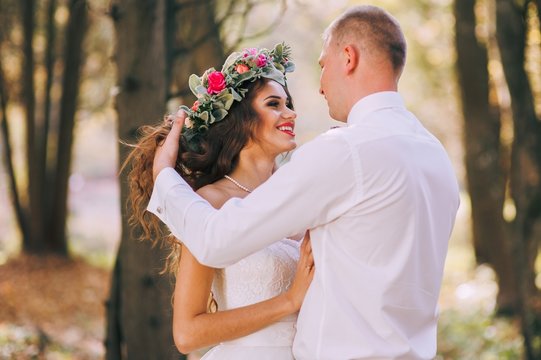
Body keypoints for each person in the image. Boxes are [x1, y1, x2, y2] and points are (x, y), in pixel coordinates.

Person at [149, 5, 460, 360]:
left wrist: (165, 179)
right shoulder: (436, 157)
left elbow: (216, 239)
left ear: (348, 57)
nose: (321, 86)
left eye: (322, 65)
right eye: (274, 103)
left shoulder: (345, 151)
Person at [126, 44, 314, 359]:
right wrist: (288, 301)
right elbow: (188, 334)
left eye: (289, 104)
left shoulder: (298, 198)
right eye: (274, 104)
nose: (291, 113)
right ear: (241, 119)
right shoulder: (210, 203)